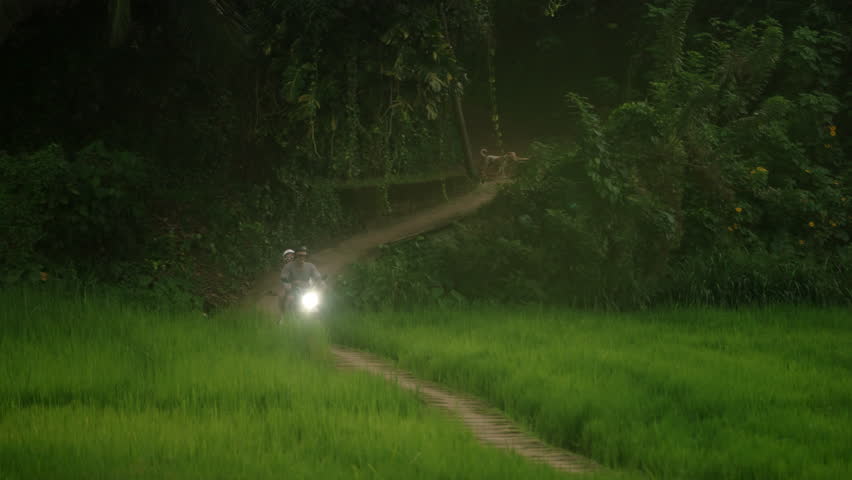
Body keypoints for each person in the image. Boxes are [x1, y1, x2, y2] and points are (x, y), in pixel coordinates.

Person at [279, 246, 325, 313]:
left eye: (304, 256)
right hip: (293, 290)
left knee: (318, 301)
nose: (302, 257)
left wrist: (321, 282)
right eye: (300, 255)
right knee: (288, 298)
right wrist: (288, 286)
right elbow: (284, 277)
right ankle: (284, 317)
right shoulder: (288, 266)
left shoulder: (310, 266)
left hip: (307, 289)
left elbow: (317, 276)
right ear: (296, 256)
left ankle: (321, 316)